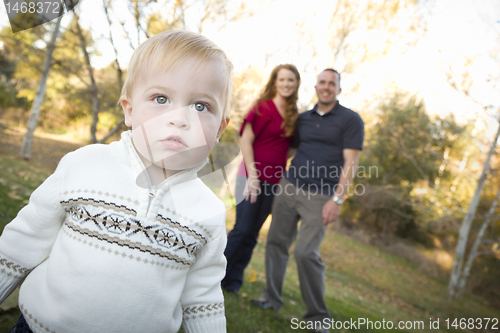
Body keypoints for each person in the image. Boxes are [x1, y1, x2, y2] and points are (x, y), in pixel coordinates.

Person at [0, 30, 233, 333]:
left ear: (220, 129)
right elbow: (22, 242)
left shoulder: (208, 212)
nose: (179, 118)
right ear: (129, 109)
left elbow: (203, 298)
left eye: (201, 106)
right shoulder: (85, 166)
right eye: (161, 98)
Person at [251, 69, 364, 333]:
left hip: (322, 196)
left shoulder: (350, 120)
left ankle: (318, 318)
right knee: (276, 243)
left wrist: (337, 199)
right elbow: (290, 150)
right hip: (289, 187)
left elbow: (351, 161)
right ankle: (271, 299)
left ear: (338, 89)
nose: (326, 87)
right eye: (322, 83)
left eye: (331, 84)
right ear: (316, 86)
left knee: (305, 253)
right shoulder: (303, 119)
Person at [221, 64, 300, 295]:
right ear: (275, 82)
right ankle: (211, 275)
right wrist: (254, 176)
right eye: (282, 79)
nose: (286, 84)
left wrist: (279, 160)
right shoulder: (262, 108)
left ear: (296, 84)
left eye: (291, 80)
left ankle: (233, 281)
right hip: (250, 177)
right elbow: (246, 141)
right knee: (242, 229)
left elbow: (291, 147)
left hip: (274, 183)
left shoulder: (295, 114)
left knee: (253, 234)